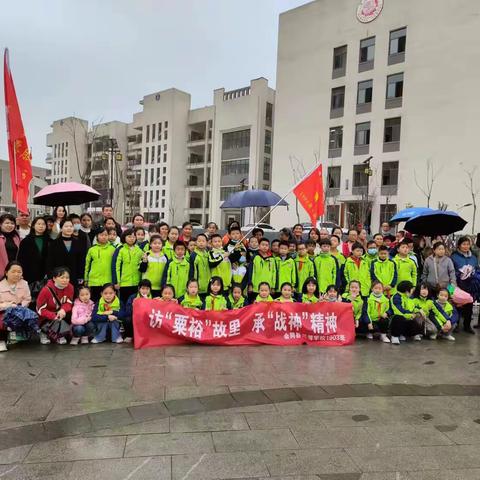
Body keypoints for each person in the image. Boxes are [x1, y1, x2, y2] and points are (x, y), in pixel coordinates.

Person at [36, 266, 74, 345]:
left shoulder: (70, 287)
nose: (65, 280)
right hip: (46, 316)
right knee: (49, 321)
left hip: (60, 312)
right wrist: (53, 316)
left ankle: (60, 334)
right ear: (54, 278)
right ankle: (43, 333)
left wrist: (63, 309)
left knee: (71, 313)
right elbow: (40, 309)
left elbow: (69, 302)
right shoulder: (46, 290)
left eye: (67, 278)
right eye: (62, 277)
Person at [0, 262, 33, 351]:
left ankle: (17, 335)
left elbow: (27, 299)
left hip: (20, 310)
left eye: (19, 272)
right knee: (3, 321)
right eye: (13, 271)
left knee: (31, 317)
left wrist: (20, 307)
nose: (16, 274)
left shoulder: (24, 284)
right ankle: (1, 341)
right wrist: (9, 306)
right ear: (6, 272)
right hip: (3, 311)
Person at [451, 236, 479, 333]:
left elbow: (477, 269)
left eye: (468, 244)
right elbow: (451, 271)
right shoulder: (454, 257)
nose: (466, 246)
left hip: (471, 284)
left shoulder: (474, 257)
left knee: (469, 306)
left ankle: (467, 326)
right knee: (457, 305)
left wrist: (473, 273)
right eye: (464, 244)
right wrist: (460, 274)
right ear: (459, 245)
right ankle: (456, 325)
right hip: (458, 284)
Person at [46, 219, 86, 285]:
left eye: (71, 226)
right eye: (66, 226)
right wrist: (51, 276)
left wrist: (81, 276)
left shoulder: (78, 243)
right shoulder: (54, 244)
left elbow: (81, 261)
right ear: (61, 229)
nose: (69, 228)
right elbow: (50, 262)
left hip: (74, 276)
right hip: (59, 277)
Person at [84, 227, 116, 301]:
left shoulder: (113, 249)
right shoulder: (92, 250)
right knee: (95, 302)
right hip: (94, 281)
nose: (104, 237)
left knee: (108, 303)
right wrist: (86, 279)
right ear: (97, 236)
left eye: (106, 235)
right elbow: (87, 265)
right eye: (101, 235)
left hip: (108, 281)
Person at [112, 228, 143, 303]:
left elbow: (142, 265)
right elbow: (115, 266)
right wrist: (116, 281)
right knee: (123, 302)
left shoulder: (139, 250)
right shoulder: (120, 249)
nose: (131, 239)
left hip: (136, 282)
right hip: (123, 283)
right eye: (129, 236)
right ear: (124, 237)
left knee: (134, 303)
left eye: (133, 236)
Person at [17, 216, 50, 287]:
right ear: (33, 226)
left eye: (43, 224)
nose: (41, 226)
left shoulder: (50, 241)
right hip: (29, 274)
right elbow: (21, 259)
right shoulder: (25, 241)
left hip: (45, 274)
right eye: (38, 224)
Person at [390, 280, 424, 345]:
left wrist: (419, 310)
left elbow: (413, 307)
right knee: (398, 318)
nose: (412, 290)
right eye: (411, 289)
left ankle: (406, 334)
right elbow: (399, 310)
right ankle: (395, 336)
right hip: (396, 318)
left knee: (417, 317)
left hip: (407, 317)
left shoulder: (408, 297)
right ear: (406, 290)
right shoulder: (396, 297)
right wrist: (410, 315)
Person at [247, 238, 277, 303]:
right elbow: (251, 272)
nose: (264, 247)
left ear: (269, 247)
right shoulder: (254, 257)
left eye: (266, 245)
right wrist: (250, 285)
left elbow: (274, 273)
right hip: (256, 287)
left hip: (267, 288)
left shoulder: (272, 259)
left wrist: (273, 287)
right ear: (259, 245)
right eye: (263, 244)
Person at [189, 234, 211, 298]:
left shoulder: (208, 254)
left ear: (207, 243)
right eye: (199, 241)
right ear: (196, 242)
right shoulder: (193, 255)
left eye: (203, 241)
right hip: (198, 286)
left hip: (208, 286)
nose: (201, 243)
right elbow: (191, 271)